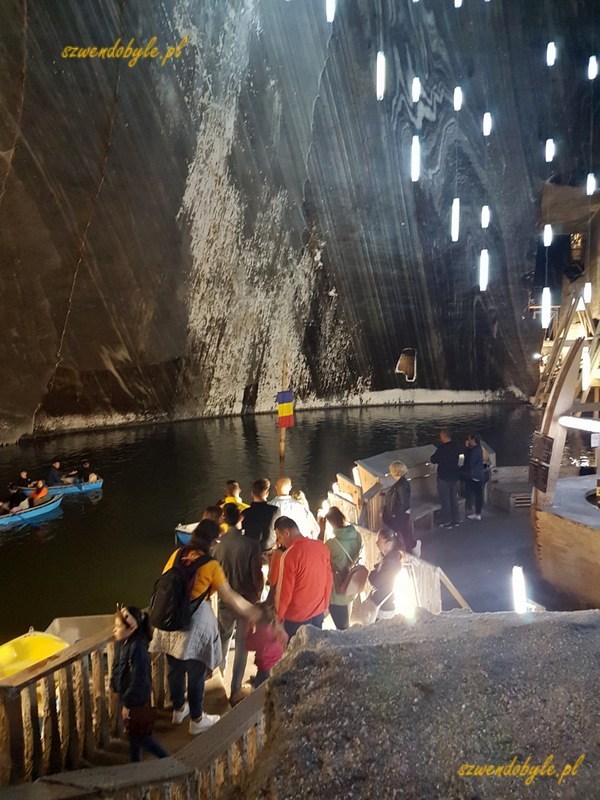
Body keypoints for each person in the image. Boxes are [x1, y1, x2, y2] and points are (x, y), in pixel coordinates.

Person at [149, 520, 260, 735]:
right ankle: (197, 719)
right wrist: (252, 611)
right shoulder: (211, 565)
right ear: (213, 541)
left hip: (169, 620)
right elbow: (229, 597)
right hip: (193, 623)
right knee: (196, 672)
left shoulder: (177, 554)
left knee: (175, 668)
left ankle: (179, 708)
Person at [214, 504, 263, 705]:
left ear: (224, 520)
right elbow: (256, 575)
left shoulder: (216, 546)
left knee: (223, 638)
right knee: (242, 645)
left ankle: (220, 672)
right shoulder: (251, 545)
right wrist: (258, 593)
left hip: (225, 601)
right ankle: (235, 688)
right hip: (245, 600)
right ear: (241, 518)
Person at [111, 606, 168, 763]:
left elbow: (139, 679)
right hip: (129, 697)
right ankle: (135, 764)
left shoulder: (137, 647)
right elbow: (119, 669)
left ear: (131, 627)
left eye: (117, 626)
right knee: (134, 736)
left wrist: (127, 703)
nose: (114, 630)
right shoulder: (124, 644)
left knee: (142, 737)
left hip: (135, 700)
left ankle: (169, 761)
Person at [274, 517, 333, 639]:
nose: (279, 542)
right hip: (318, 612)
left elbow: (285, 592)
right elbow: (329, 579)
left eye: (279, 537)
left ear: (287, 533)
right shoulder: (321, 547)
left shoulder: (289, 555)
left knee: (296, 655)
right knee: (315, 651)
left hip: (296, 618)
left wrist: (278, 616)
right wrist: (326, 605)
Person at [324, 507, 363, 630]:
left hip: (337, 589)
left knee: (342, 628)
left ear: (330, 523)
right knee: (347, 620)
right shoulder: (357, 536)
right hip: (352, 583)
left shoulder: (331, 544)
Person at [245, 602, 288, 686]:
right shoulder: (278, 630)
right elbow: (285, 638)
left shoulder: (259, 635)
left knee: (261, 690)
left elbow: (247, 645)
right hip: (279, 666)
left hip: (264, 671)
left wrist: (249, 628)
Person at [381, 461, 420, 556]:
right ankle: (411, 548)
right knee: (402, 532)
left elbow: (403, 502)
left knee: (400, 533)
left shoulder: (400, 485)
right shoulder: (403, 482)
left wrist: (395, 513)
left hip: (399, 515)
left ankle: (411, 548)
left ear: (395, 471)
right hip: (403, 513)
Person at [368, 528, 405, 620]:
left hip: (383, 606)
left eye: (379, 540)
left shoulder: (390, 562)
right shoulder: (391, 559)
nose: (376, 543)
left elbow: (376, 581)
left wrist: (372, 573)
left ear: (387, 543)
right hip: (384, 602)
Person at [431, 430, 461, 528]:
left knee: (445, 500)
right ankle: (456, 519)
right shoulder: (456, 447)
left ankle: (447, 520)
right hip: (454, 476)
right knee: (454, 499)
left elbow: (433, 459)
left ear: (444, 437)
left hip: (444, 477)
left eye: (441, 436)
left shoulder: (442, 449)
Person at [241, 478, 280, 552]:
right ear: (267, 493)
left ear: (252, 493)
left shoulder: (245, 513)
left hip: (251, 552)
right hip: (270, 551)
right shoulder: (275, 511)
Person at [462, 433, 485, 520]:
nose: (468, 441)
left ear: (472, 440)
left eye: (469, 439)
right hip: (479, 474)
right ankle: (477, 512)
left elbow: (470, 462)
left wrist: (467, 448)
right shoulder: (478, 449)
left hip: (475, 475)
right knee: (478, 494)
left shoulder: (475, 450)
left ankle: (477, 512)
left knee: (477, 494)